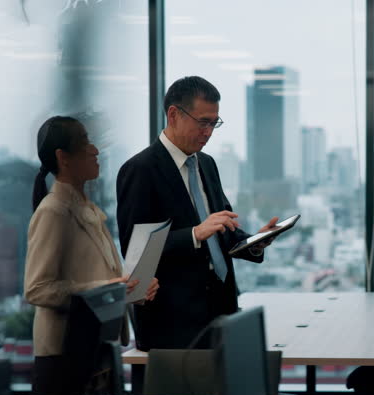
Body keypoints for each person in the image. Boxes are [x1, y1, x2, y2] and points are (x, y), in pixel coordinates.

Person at [117, 76, 278, 350]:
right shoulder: (141, 169)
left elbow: (221, 229)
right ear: (173, 115)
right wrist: (194, 234)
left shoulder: (206, 164)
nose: (209, 132)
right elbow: (135, 249)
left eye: (214, 123)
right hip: (173, 321)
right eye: (203, 122)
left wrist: (254, 242)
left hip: (222, 309)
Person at [25, 115, 159, 395]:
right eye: (85, 142)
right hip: (65, 359)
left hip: (96, 351)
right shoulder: (53, 212)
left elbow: (100, 279)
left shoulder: (87, 209)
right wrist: (109, 289)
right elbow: (37, 289)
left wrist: (131, 290)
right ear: (63, 158)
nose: (95, 150)